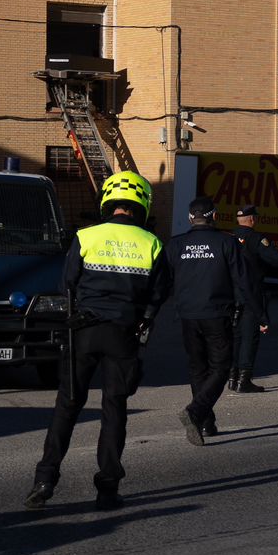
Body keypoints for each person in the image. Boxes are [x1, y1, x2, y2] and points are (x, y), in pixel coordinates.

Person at [25, 170, 171, 511]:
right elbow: (159, 294)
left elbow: (67, 285)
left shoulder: (86, 236)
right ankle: (107, 488)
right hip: (123, 334)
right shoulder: (151, 243)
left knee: (67, 406)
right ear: (142, 205)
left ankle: (44, 479)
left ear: (109, 201)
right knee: (114, 410)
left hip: (83, 332)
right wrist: (141, 320)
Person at [170, 196, 257, 446]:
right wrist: (257, 311)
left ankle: (205, 423)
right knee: (221, 367)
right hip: (217, 314)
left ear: (190, 218)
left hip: (187, 315)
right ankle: (196, 412)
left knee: (198, 368)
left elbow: (163, 280)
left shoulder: (177, 245)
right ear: (215, 216)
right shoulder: (226, 243)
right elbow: (242, 280)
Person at [228, 203, 278, 392]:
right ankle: (244, 380)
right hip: (251, 293)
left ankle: (232, 377)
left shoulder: (228, 239)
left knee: (235, 337)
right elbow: (276, 259)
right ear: (252, 219)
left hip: (229, 293)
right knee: (249, 337)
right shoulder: (257, 238)